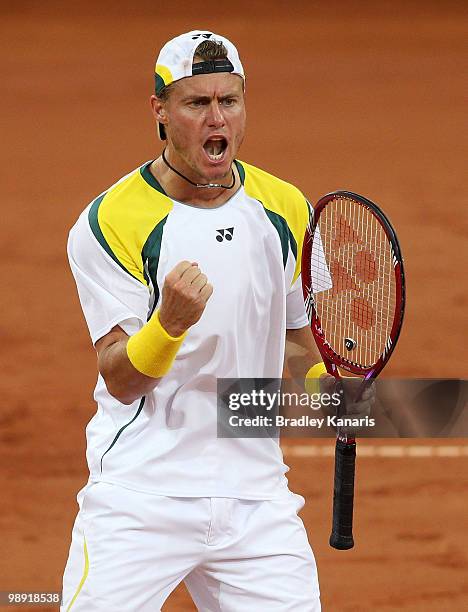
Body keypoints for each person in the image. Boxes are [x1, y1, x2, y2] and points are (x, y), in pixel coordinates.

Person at [61, 30, 370, 611]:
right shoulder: (110, 221)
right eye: (196, 103)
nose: (215, 117)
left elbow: (301, 348)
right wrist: (168, 325)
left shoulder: (288, 210)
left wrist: (330, 398)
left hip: (254, 499)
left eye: (228, 100)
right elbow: (121, 381)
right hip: (141, 496)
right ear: (160, 111)